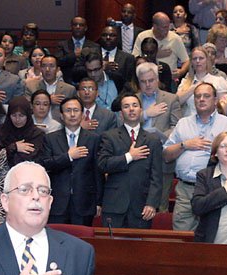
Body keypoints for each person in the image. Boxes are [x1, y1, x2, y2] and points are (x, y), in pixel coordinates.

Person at [163, 82, 227, 231]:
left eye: (206, 96)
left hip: (213, 188)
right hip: (186, 189)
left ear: (215, 100)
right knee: (182, 235)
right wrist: (185, 145)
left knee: (212, 234)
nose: (201, 99)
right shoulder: (183, 123)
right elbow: (167, 155)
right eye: (198, 96)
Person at [97, 94, 162, 228]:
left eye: (135, 105)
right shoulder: (109, 136)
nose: (131, 109)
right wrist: (129, 156)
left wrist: (152, 203)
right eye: (126, 106)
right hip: (114, 205)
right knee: (112, 247)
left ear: (140, 110)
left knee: (138, 248)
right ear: (121, 114)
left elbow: (156, 176)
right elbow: (103, 164)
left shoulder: (153, 140)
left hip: (142, 206)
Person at [38, 97, 102, 226]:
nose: (72, 114)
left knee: (81, 241)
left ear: (82, 114)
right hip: (57, 202)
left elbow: (98, 172)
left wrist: (98, 202)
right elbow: (45, 165)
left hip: (84, 203)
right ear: (61, 115)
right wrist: (68, 157)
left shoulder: (93, 139)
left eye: (76, 110)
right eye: (68, 111)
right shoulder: (50, 138)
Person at [135, 62, 182, 212]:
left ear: (157, 79)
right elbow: (123, 123)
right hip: (138, 160)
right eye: (143, 81)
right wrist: (146, 114)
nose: (148, 84)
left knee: (161, 206)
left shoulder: (170, 99)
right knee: (138, 204)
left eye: (151, 80)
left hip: (162, 157)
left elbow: (177, 127)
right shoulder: (133, 100)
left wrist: (162, 136)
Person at [0, 96, 45, 170]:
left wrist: (7, 153)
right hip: (4, 178)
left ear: (28, 115)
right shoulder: (1, 133)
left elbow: (34, 160)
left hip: (30, 176)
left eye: (21, 115)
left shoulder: (37, 134)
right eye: (14, 115)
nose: (17, 119)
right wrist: (13, 147)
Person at [132, 12, 190, 81]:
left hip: (169, 79)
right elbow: (135, 59)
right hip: (146, 79)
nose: (167, 30)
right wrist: (155, 54)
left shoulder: (175, 38)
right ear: (155, 26)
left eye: (168, 26)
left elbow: (186, 60)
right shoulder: (142, 36)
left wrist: (181, 72)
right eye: (165, 27)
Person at [177, 46, 227, 117]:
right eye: (195, 59)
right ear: (191, 62)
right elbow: (176, 102)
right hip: (189, 122)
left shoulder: (218, 81)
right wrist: (194, 88)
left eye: (201, 58)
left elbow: (224, 107)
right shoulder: (185, 82)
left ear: (207, 60)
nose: (198, 61)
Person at [24, 56, 76, 122]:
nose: (47, 69)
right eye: (44, 66)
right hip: (37, 126)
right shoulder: (31, 87)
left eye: (51, 66)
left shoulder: (69, 89)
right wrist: (47, 101)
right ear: (40, 68)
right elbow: (27, 108)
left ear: (58, 69)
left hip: (60, 127)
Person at [56, 16, 100, 85]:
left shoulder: (94, 46)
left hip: (88, 81)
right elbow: (57, 62)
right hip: (66, 82)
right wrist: (74, 55)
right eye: (75, 25)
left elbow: (96, 65)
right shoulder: (62, 44)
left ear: (86, 28)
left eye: (81, 25)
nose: (78, 27)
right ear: (71, 27)